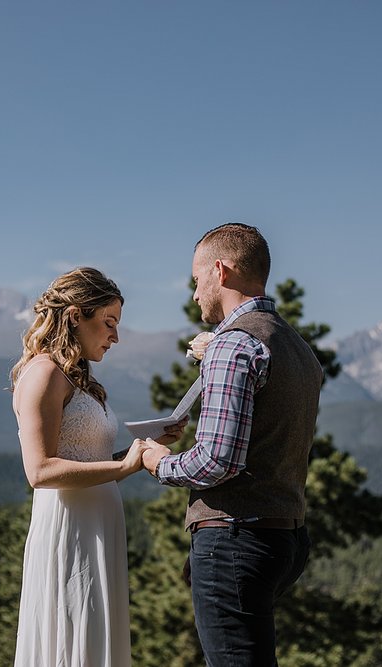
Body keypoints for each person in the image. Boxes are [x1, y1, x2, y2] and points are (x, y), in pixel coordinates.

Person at [141, 223, 323, 666]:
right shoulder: (294, 345)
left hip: (237, 537)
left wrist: (159, 461)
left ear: (219, 271)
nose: (194, 293)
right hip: (286, 535)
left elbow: (217, 460)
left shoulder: (233, 344)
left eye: (196, 280)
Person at [10, 267, 181, 667]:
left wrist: (144, 448)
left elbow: (88, 460)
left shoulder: (78, 378)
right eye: (108, 322)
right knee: (72, 639)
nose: (115, 336)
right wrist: (124, 468)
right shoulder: (43, 373)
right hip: (70, 530)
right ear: (74, 316)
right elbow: (40, 471)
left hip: (99, 527)